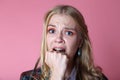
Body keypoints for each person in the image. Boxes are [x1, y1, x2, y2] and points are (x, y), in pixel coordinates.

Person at [20, 5, 108, 80]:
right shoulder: (28, 78)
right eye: (52, 31)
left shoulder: (98, 78)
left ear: (80, 41)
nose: (58, 39)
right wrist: (56, 74)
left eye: (68, 33)